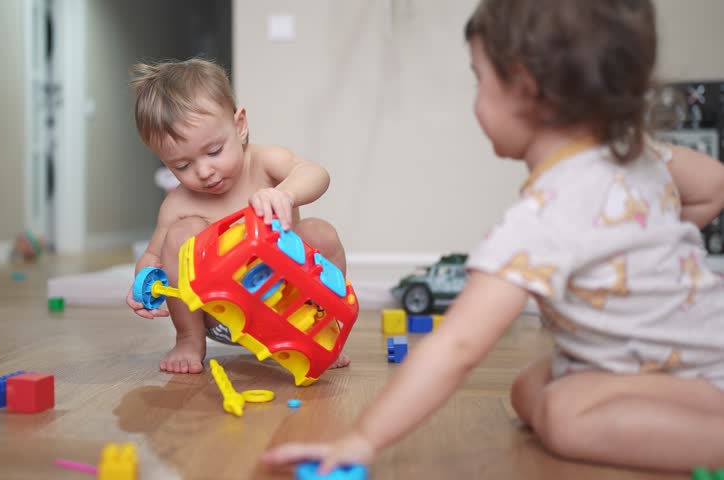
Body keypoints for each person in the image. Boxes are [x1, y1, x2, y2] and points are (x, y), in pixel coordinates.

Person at [263, 0, 724, 473]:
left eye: (479, 78)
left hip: (700, 374)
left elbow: (458, 346)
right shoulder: (638, 156)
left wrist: (362, 437)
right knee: (529, 392)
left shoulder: (544, 217)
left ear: (524, 88)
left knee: (562, 415)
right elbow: (712, 185)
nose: (476, 95)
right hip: (658, 358)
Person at [126, 58, 350, 374]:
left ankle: (322, 334)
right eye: (182, 166)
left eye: (214, 151)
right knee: (180, 234)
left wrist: (284, 194)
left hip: (287, 306)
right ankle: (188, 338)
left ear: (239, 125)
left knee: (320, 233)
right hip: (220, 317)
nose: (204, 171)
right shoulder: (178, 204)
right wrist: (143, 283)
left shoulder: (263, 162)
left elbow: (316, 173)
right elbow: (153, 256)